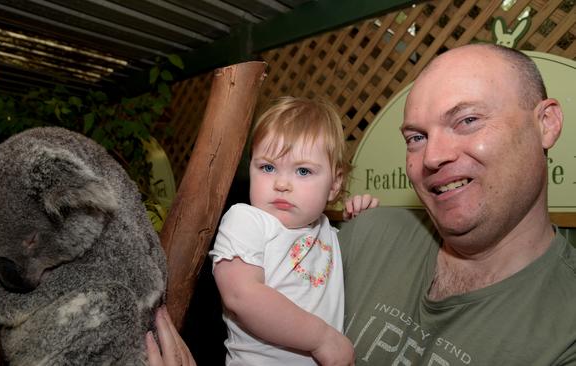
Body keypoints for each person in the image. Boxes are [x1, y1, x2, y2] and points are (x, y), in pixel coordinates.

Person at [147, 43, 576, 365]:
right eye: (416, 138)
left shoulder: (564, 327)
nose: (434, 156)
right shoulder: (370, 233)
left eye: (467, 120)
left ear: (546, 124)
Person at [208, 96, 377, 365]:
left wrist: (362, 218)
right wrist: (322, 338)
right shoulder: (246, 220)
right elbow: (240, 295)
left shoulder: (327, 232)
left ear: (334, 184)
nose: (282, 184)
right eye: (268, 167)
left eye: (303, 171)